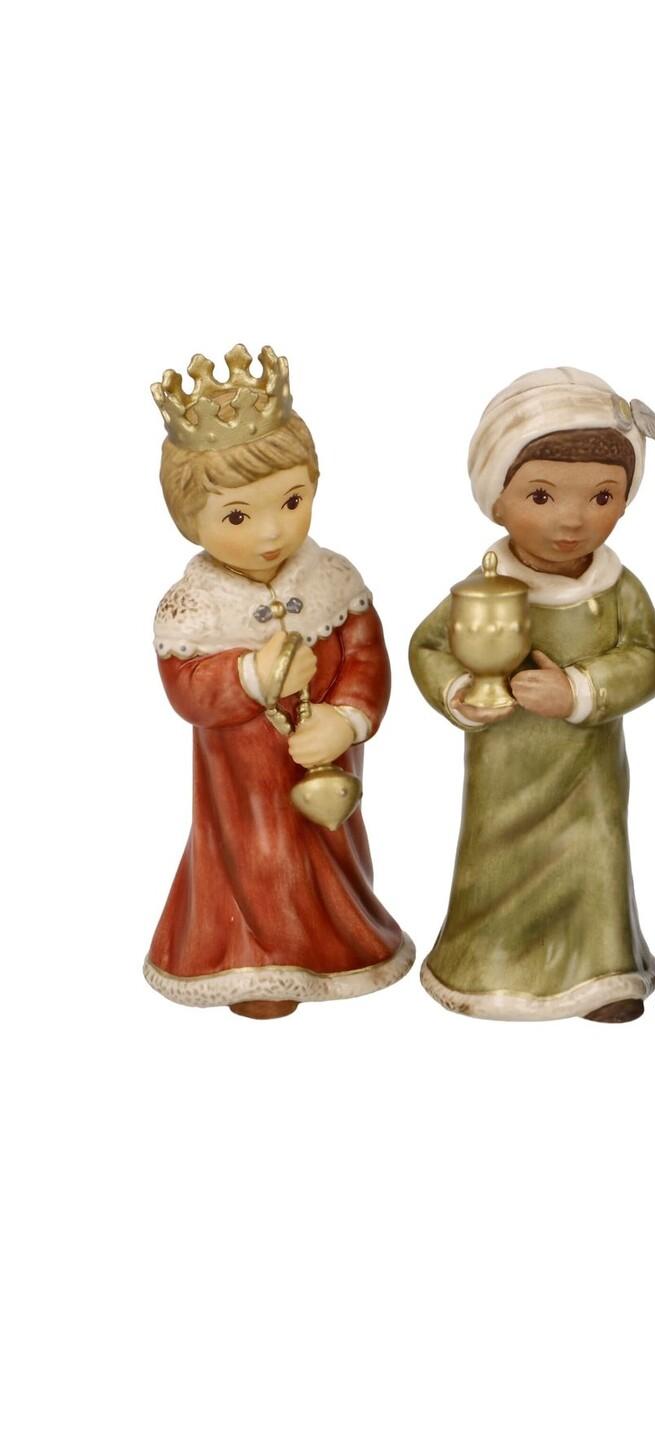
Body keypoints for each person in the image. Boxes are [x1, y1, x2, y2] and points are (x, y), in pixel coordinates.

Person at [146, 345, 413, 1017]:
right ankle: (256, 964)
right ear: (189, 519)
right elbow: (187, 689)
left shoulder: (333, 580)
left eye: (292, 501)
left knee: (333, 856)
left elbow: (367, 658)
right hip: (243, 782)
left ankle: (341, 946)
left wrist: (346, 719)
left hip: (326, 762)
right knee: (257, 860)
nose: (271, 532)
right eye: (237, 516)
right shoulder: (195, 607)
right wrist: (249, 674)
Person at [410, 367, 655, 1022]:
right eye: (542, 495)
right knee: (495, 864)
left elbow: (651, 659)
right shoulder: (485, 587)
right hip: (505, 773)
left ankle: (600, 972)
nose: (573, 519)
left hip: (587, 777)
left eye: (603, 496)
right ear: (496, 500)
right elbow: (427, 647)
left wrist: (580, 689)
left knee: (594, 859)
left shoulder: (617, 589)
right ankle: (487, 969)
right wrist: (460, 692)